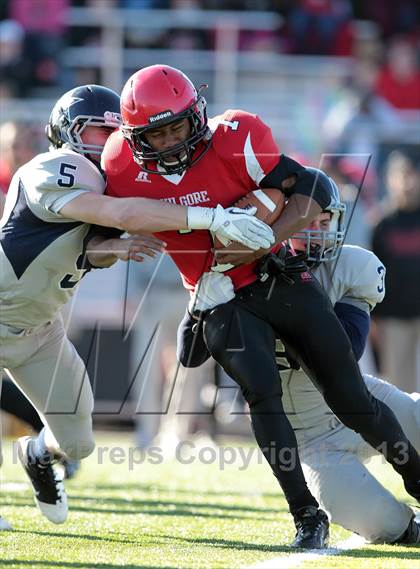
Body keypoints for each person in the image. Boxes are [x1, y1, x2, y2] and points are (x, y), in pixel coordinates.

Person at [102, 64, 420, 548]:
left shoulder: (234, 139)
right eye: (156, 134)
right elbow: (188, 353)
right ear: (133, 138)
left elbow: (315, 187)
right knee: (260, 396)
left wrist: (266, 237)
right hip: (219, 296)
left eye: (177, 128)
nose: (168, 142)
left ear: (197, 115)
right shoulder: (121, 168)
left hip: (275, 276)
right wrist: (190, 291)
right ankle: (305, 516)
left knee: (353, 397)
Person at [0, 83, 274, 528]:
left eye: (113, 135)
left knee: (78, 443)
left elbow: (82, 248)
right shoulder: (56, 167)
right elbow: (122, 215)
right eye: (94, 133)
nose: (103, 146)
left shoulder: (100, 189)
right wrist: (209, 216)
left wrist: (114, 249)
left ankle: (35, 453)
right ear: (65, 133)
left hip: (38, 330)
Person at [179, 194, 420, 545]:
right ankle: (409, 527)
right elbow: (190, 355)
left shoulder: (350, 267)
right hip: (309, 438)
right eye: (307, 224)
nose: (317, 234)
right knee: (383, 523)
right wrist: (199, 306)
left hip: (363, 403)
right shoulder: (233, 277)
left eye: (325, 224)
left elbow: (347, 349)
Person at [371, 151, 420, 393]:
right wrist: (373, 320)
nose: (408, 183)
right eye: (402, 176)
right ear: (390, 179)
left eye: (413, 175)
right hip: (393, 319)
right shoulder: (381, 223)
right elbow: (371, 275)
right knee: (400, 389)